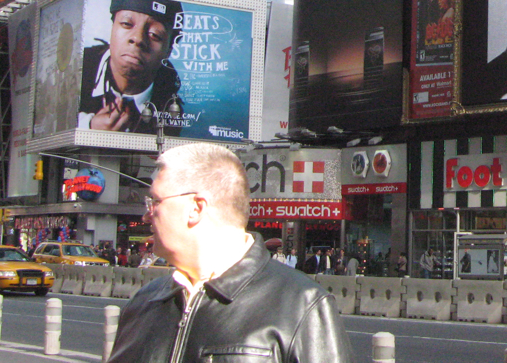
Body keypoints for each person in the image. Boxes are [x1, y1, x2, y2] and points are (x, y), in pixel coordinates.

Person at [107, 142, 353, 363]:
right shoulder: (144, 303)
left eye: (155, 202)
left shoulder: (302, 305)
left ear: (196, 208)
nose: (146, 214)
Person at [78, 0, 184, 134]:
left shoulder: (171, 109)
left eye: (155, 34)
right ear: (112, 27)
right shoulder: (76, 69)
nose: (138, 38)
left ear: (169, 49)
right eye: (127, 24)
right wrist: (88, 126)